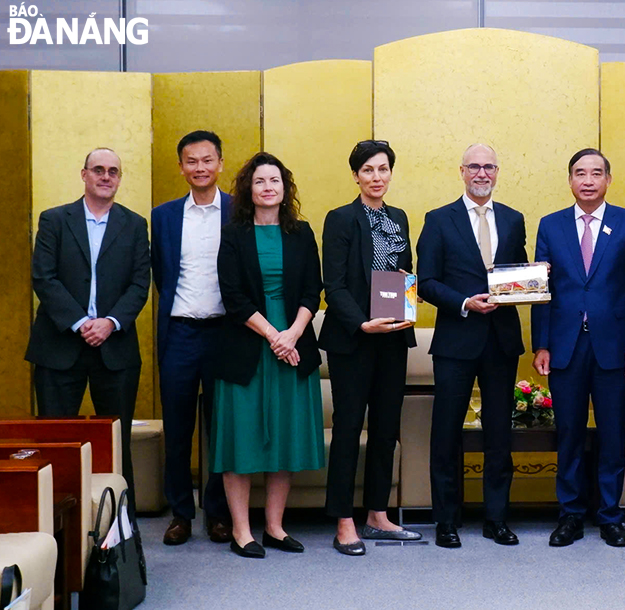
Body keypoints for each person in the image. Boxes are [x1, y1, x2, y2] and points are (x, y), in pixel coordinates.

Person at [531, 148, 625, 548]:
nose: (588, 180)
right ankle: (571, 515)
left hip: (614, 347)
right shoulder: (550, 225)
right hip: (564, 346)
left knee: (613, 434)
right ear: (570, 180)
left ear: (608, 180)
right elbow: (540, 291)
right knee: (569, 433)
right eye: (580, 173)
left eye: (596, 173)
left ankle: (611, 516)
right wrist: (541, 343)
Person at [210, 152, 325, 558]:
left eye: (274, 180)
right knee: (240, 441)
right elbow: (233, 297)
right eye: (260, 181)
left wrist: (292, 334)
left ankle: (275, 527)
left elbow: (313, 289)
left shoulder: (302, 233)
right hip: (246, 346)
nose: (268, 187)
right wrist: (275, 336)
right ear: (248, 189)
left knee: (284, 440)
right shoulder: (234, 234)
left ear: (284, 187)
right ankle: (242, 531)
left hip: (293, 343)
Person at [417, 144, 527, 549]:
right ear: (462, 171)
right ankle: (446, 520)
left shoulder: (514, 220)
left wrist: (534, 277)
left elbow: (516, 273)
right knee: (446, 433)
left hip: (501, 340)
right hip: (455, 340)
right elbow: (425, 281)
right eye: (475, 167)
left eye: (489, 167)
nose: (482, 173)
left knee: (500, 433)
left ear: (497, 172)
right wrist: (464, 302)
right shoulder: (438, 220)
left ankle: (496, 519)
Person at [26, 148, 150, 507]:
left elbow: (140, 283)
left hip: (115, 348)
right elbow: (43, 278)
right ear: (84, 175)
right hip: (58, 347)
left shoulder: (135, 224)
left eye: (113, 171)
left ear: (119, 178)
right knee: (56, 441)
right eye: (98, 169)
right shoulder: (54, 220)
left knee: (115, 442)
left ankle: (121, 529)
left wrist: (109, 324)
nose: (106, 176)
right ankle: (55, 521)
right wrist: (82, 323)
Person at [320, 140, 422, 556]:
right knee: (348, 430)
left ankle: (377, 514)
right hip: (354, 340)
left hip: (393, 338)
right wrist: (362, 322)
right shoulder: (341, 219)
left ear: (391, 173)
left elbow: (404, 271)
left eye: (383, 170)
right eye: (368, 170)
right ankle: (344, 520)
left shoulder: (398, 217)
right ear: (356, 176)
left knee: (385, 430)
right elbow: (335, 284)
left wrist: (407, 302)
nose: (376, 177)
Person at [151, 131, 233, 545]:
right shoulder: (163, 216)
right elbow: (162, 275)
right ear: (181, 167)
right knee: (178, 429)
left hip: (224, 334)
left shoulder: (240, 211)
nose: (200, 168)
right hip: (180, 332)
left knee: (221, 430)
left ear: (220, 163)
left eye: (207, 160)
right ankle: (181, 513)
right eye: (191, 161)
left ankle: (218, 515)